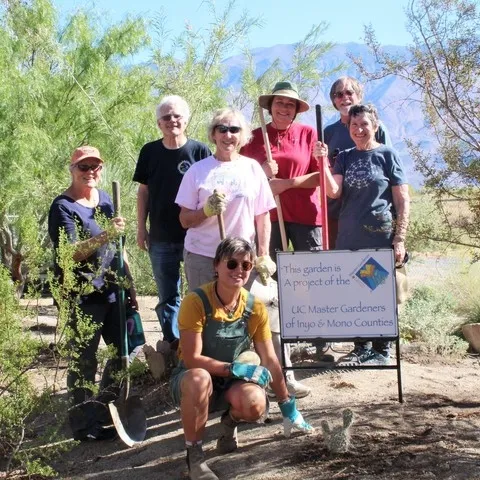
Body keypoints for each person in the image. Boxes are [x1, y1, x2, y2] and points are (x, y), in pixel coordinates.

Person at [170, 237, 314, 480]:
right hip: (193, 378)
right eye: (232, 264)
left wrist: (287, 406)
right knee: (199, 378)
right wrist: (234, 369)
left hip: (230, 381)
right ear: (216, 265)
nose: (239, 270)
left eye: (246, 266)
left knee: (256, 403)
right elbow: (193, 359)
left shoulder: (255, 307)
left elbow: (269, 358)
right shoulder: (195, 302)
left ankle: (230, 422)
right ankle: (195, 458)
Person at [240, 81, 333, 379]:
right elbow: (242, 177)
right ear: (270, 107)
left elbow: (321, 176)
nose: (283, 108)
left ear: (296, 110)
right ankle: (280, 344)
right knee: (273, 281)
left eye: (289, 105)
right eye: (279, 103)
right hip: (269, 217)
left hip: (306, 214)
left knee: (311, 277)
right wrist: (264, 175)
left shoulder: (308, 134)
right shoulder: (255, 138)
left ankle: (321, 341)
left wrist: (287, 183)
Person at [48, 146, 133, 441]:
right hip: (81, 293)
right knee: (85, 360)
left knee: (124, 351)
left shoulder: (106, 200)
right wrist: (108, 233)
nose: (90, 173)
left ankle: (101, 409)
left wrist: (130, 284)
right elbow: (69, 254)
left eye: (95, 167)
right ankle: (84, 427)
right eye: (84, 167)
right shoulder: (63, 207)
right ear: (72, 169)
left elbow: (118, 250)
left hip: (112, 289)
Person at [315, 104, 410, 365]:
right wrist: (323, 161)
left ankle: (381, 351)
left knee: (377, 290)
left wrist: (399, 238)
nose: (359, 129)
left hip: (378, 237)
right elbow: (333, 191)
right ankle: (361, 348)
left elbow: (403, 200)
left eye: (364, 125)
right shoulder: (345, 156)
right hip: (349, 236)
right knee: (356, 293)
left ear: (375, 127)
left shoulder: (387, 155)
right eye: (354, 125)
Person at [133, 95, 211, 353]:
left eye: (177, 116)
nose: (172, 121)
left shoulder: (199, 151)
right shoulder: (149, 151)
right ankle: (172, 343)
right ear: (158, 123)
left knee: (199, 292)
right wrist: (140, 228)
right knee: (167, 295)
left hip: (196, 235)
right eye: (166, 117)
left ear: (186, 120)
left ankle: (200, 343)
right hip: (161, 235)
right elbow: (143, 192)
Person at [175, 107, 276, 290]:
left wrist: (263, 254)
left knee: (239, 315)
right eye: (222, 129)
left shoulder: (252, 168)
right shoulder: (197, 171)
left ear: (242, 135)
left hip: (241, 259)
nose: (228, 135)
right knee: (205, 314)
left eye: (234, 130)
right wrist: (206, 211)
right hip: (203, 256)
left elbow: (263, 215)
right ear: (213, 134)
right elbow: (184, 220)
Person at [324, 76, 392, 248]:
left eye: (349, 92)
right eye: (338, 94)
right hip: (337, 212)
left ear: (359, 96)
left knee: (376, 268)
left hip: (372, 212)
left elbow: (389, 168)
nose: (344, 97)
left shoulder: (378, 129)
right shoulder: (329, 132)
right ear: (333, 100)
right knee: (340, 268)